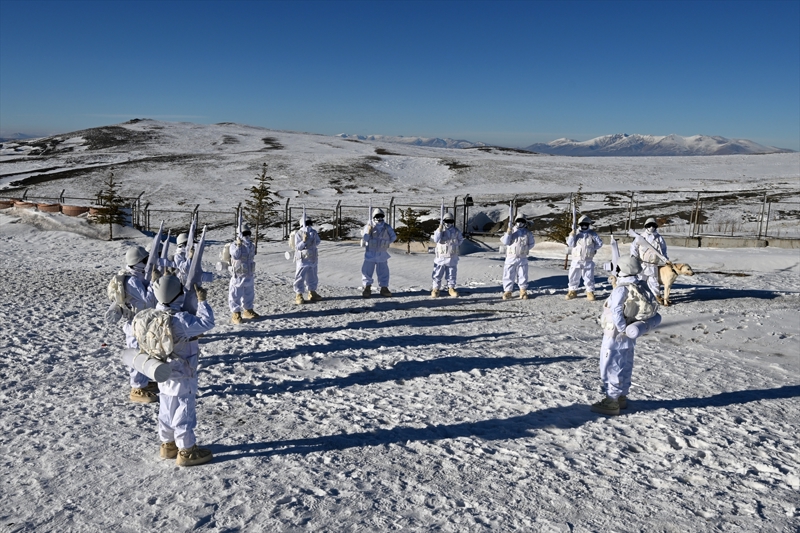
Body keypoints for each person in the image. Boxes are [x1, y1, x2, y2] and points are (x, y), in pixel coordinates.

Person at [150, 274, 216, 466]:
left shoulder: (153, 314)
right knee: (183, 410)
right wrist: (202, 302)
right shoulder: (181, 320)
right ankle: (187, 450)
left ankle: (167, 444)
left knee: (166, 409)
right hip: (183, 372)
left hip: (161, 370)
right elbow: (207, 323)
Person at [592, 255, 652, 416]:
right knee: (625, 363)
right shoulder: (639, 285)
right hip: (630, 331)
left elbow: (617, 310)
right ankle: (621, 396)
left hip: (615, 334)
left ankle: (611, 400)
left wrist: (621, 327)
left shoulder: (622, 288)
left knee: (611, 364)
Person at [120, 245, 158, 403]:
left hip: (142, 321)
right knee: (138, 354)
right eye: (144, 260)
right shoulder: (132, 280)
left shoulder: (138, 276)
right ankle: (137, 389)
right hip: (135, 323)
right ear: (137, 262)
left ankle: (144, 382)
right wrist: (154, 283)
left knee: (145, 352)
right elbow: (148, 300)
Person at [630, 217, 669, 305]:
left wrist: (665, 259)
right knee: (640, 280)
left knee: (654, 281)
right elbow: (633, 247)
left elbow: (663, 249)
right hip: (641, 263)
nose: (651, 227)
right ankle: (639, 296)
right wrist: (634, 256)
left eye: (653, 225)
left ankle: (656, 296)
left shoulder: (659, 238)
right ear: (646, 226)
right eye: (649, 225)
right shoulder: (640, 237)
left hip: (652, 264)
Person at [565, 215, 604, 301]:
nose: (584, 226)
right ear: (579, 224)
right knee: (573, 276)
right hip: (576, 260)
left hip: (588, 260)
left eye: (586, 224)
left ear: (589, 224)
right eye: (582, 224)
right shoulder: (576, 233)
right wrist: (572, 235)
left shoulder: (592, 233)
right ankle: (572, 291)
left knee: (589, 276)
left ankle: (590, 291)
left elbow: (599, 243)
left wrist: (592, 249)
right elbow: (570, 244)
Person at [361, 208, 397, 298]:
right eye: (377, 216)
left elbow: (393, 237)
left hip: (382, 254)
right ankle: (367, 287)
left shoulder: (386, 227)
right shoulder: (369, 226)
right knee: (367, 271)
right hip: (370, 253)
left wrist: (385, 242)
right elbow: (365, 239)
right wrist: (369, 231)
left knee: (383, 272)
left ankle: (384, 287)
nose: (379, 218)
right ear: (373, 217)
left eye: (381, 216)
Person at [500, 214, 535, 300]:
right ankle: (508, 291)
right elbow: (505, 242)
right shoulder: (511, 231)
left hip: (522, 258)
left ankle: (522, 290)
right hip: (511, 257)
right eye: (518, 220)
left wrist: (524, 249)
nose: (520, 223)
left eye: (522, 221)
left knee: (523, 274)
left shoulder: (527, 233)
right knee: (508, 274)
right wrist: (508, 233)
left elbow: (532, 244)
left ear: (525, 222)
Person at [228, 223, 258, 324]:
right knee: (235, 294)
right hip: (238, 274)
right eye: (245, 234)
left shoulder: (251, 245)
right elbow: (236, 256)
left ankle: (248, 310)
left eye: (248, 234)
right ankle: (235, 312)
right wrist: (238, 245)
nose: (247, 236)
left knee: (249, 293)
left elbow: (252, 255)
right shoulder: (234, 245)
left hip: (249, 273)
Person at [431, 211, 464, 297]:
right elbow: (436, 239)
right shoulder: (440, 230)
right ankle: (436, 289)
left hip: (451, 257)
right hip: (441, 257)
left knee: (451, 274)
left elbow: (460, 240)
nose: (448, 223)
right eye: (447, 221)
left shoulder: (456, 231)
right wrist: (439, 230)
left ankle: (451, 288)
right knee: (437, 274)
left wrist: (454, 246)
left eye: (450, 221)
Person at [293, 216, 322, 305]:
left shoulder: (313, 232)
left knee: (312, 276)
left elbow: (317, 241)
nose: (309, 225)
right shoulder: (299, 233)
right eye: (307, 223)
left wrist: (312, 240)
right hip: (303, 259)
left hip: (312, 257)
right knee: (300, 276)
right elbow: (297, 247)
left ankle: (312, 292)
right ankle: (299, 294)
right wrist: (304, 241)